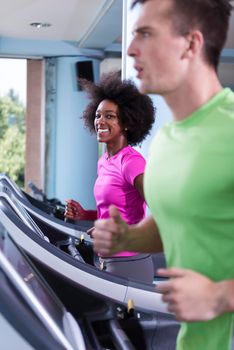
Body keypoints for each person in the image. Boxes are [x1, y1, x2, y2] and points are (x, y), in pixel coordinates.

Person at [92, 1, 234, 350]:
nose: (130, 48)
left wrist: (221, 295)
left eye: (146, 34)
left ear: (191, 44)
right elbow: (179, 224)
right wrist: (128, 239)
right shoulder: (170, 139)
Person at [65, 71, 156, 282]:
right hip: (107, 260)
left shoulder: (131, 162)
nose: (101, 121)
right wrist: (86, 215)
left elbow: (160, 209)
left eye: (110, 116)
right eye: (98, 115)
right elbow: (115, 212)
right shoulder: (104, 161)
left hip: (130, 262)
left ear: (126, 123)